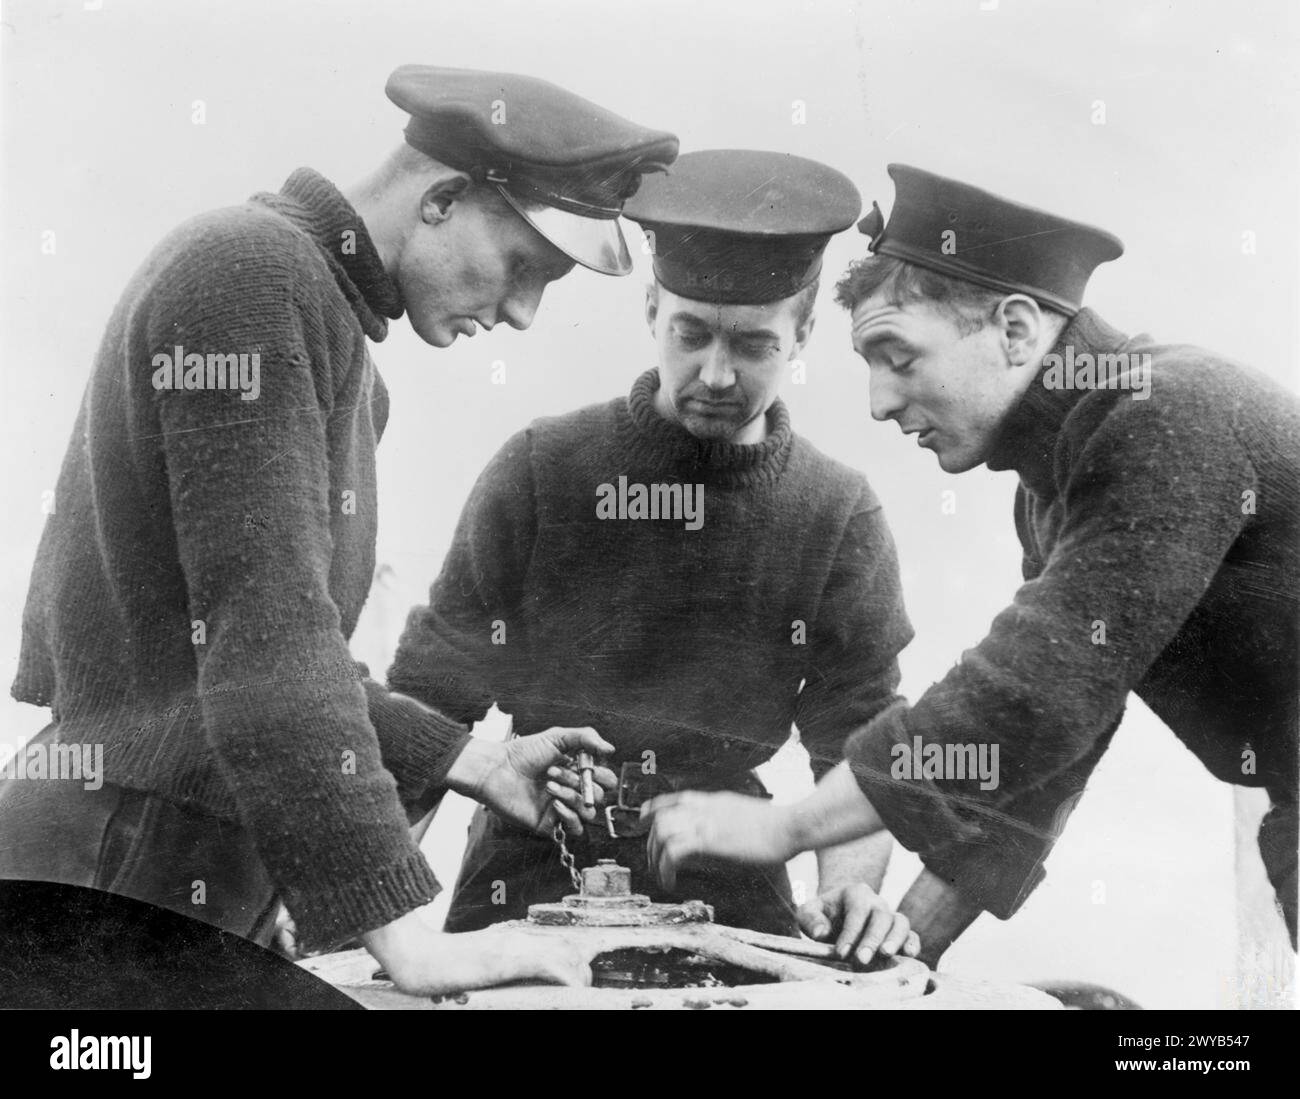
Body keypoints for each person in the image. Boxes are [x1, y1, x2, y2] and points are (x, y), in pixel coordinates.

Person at [2, 65, 679, 996]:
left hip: (160, 849)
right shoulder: (252, 274)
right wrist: (410, 940)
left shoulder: (320, 324)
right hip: (125, 851)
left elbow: (291, 653)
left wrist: (476, 761)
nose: (522, 313)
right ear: (442, 199)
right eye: (526, 268)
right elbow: (265, 634)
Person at [644, 163, 1300, 957]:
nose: (879, 402)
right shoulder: (1056, 483)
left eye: (899, 355)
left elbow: (1031, 696)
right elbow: (1042, 764)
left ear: (1017, 329)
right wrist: (891, 959)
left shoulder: (1168, 412)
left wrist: (785, 826)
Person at [387, 150, 919, 966]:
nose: (715, 372)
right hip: (530, 869)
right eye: (691, 332)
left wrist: (849, 887)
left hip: (738, 881)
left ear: (805, 332)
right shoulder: (542, 469)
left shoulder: (838, 512)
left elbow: (858, 736)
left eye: (752, 344)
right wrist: (364, 898)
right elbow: (431, 702)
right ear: (650, 308)